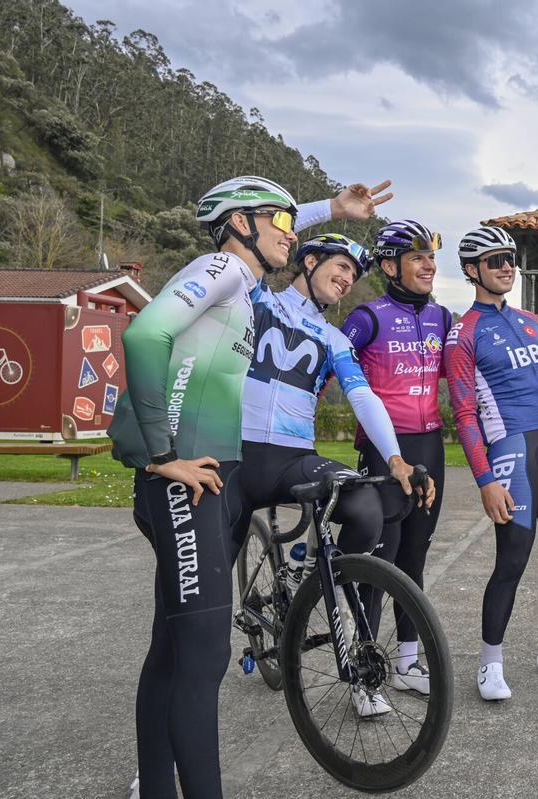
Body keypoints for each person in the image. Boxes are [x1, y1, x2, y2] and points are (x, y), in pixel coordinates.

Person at [108, 175, 391, 799]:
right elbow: (143, 333)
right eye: (279, 224)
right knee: (204, 657)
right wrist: (163, 455)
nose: (290, 235)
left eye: (294, 226)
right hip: (187, 481)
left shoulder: (247, 286)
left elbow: (277, 233)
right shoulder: (225, 270)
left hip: (206, 477)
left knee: (175, 650)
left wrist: (328, 210)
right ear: (241, 222)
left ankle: (155, 787)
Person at [239, 232, 435, 717]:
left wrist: (394, 459)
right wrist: (332, 210)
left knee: (367, 507)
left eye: (354, 273)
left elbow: (363, 396)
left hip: (293, 457)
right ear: (307, 261)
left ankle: (314, 586)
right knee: (196, 616)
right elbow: (249, 243)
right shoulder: (257, 298)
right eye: (340, 266)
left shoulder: (333, 336)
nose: (348, 279)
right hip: (235, 455)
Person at [444, 225, 538, 702]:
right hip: (513, 450)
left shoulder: (529, 321)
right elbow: (464, 414)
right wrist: (485, 480)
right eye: (494, 260)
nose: (507, 266)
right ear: (471, 271)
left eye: (509, 258)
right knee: (512, 558)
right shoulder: (463, 334)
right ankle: (489, 663)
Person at [341, 220, 451, 697]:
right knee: (379, 560)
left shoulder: (443, 317)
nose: (429, 265)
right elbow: (329, 371)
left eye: (432, 257)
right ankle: (365, 675)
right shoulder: (367, 317)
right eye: (418, 257)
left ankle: (407, 662)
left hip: (429, 446)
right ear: (390, 266)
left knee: (414, 556)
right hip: (384, 452)